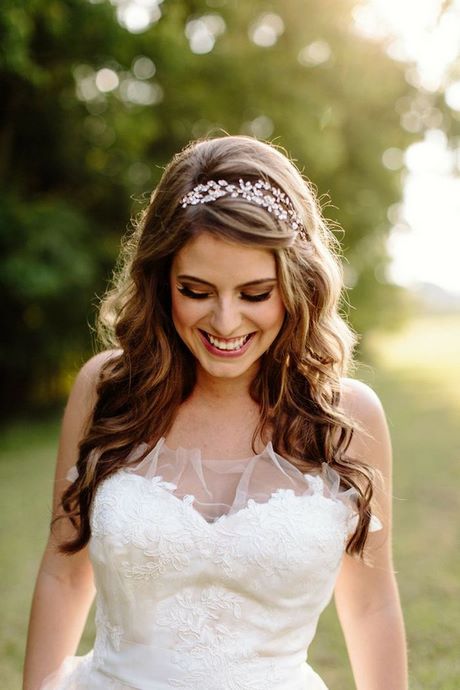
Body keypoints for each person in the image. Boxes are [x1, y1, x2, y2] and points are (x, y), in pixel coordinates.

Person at [23, 135, 407, 690]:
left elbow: (371, 606)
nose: (226, 323)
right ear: (162, 283)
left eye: (255, 294)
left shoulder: (347, 418)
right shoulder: (107, 391)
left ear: (297, 287)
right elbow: (64, 572)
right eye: (196, 290)